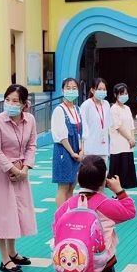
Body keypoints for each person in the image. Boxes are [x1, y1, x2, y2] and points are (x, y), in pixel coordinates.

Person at [0, 84, 38, 272]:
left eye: (15, 101)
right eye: (7, 100)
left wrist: (25, 168)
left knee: (15, 212)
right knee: (1, 214)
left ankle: (12, 252)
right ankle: (4, 259)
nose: (10, 104)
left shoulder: (30, 120)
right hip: (2, 173)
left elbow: (32, 145)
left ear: (24, 104)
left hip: (21, 171)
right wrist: (13, 169)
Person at [51, 77, 84, 207]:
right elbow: (61, 136)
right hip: (64, 151)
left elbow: (83, 133)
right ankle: (61, 215)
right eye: (68, 88)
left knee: (72, 185)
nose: (71, 90)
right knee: (63, 186)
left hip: (77, 151)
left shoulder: (78, 110)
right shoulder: (59, 110)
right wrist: (72, 153)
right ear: (62, 90)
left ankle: (69, 213)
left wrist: (81, 151)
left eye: (74, 88)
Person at [109, 83, 137, 189]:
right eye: (121, 94)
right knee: (117, 174)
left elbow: (131, 126)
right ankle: (117, 194)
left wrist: (132, 139)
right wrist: (129, 138)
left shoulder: (127, 108)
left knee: (126, 174)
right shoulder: (114, 109)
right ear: (115, 95)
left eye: (126, 93)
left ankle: (123, 194)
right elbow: (118, 126)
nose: (124, 96)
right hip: (118, 147)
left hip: (128, 146)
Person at [79, 77, 111, 162]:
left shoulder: (106, 104)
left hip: (104, 149)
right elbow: (82, 128)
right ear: (92, 90)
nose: (102, 91)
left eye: (104, 89)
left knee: (103, 170)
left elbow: (108, 126)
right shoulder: (86, 105)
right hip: (90, 150)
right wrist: (82, 149)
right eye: (99, 89)